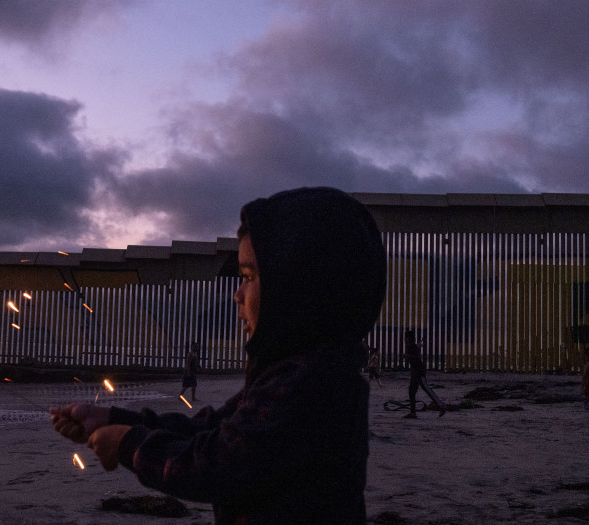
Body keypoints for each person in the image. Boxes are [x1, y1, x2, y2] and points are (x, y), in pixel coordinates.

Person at [50, 187, 386, 524]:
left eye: (249, 277)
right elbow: (212, 429)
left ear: (300, 287)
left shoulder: (311, 383)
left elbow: (217, 464)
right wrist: (114, 419)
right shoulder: (291, 371)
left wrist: (127, 444)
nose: (237, 295)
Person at [403, 330, 445, 418]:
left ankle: (441, 405)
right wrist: (419, 345)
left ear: (407, 338)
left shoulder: (411, 346)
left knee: (426, 388)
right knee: (411, 392)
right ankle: (413, 413)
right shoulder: (411, 346)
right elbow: (417, 351)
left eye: (405, 337)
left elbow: (417, 357)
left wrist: (407, 356)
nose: (404, 339)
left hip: (419, 371)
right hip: (415, 372)